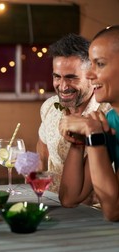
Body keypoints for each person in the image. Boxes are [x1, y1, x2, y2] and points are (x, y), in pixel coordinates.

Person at [36, 33, 110, 195]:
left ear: (91, 75)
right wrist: (36, 184)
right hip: (52, 204)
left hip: (95, 212)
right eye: (57, 77)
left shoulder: (108, 113)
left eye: (71, 78)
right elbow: (42, 151)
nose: (62, 87)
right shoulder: (48, 107)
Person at [58, 25, 119, 222]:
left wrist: (93, 135)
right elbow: (70, 197)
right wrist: (79, 140)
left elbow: (114, 210)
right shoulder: (111, 121)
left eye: (100, 64)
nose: (90, 75)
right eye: (91, 65)